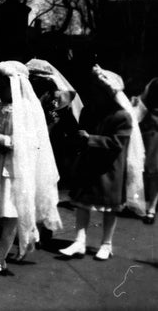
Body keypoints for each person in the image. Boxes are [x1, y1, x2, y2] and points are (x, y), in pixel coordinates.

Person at [0, 61, 62, 278]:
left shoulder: (28, 109)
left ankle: (0, 258)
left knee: (11, 210)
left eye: (2, 86)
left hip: (15, 168)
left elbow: (35, 142)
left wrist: (10, 141)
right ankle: (23, 235)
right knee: (1, 211)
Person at [60, 65, 144, 261]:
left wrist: (90, 139)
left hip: (110, 167)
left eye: (98, 90)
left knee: (109, 207)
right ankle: (79, 241)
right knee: (82, 203)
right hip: (89, 162)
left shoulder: (122, 116)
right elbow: (81, 131)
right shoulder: (90, 111)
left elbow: (118, 142)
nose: (93, 93)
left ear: (107, 93)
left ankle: (107, 243)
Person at [26, 59, 82, 243]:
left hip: (51, 149)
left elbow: (70, 127)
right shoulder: (25, 100)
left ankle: (43, 227)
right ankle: (28, 225)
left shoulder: (58, 102)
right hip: (29, 147)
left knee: (45, 186)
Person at [139, 78, 158, 224]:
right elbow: (141, 101)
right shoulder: (154, 83)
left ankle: (152, 207)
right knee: (152, 170)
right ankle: (151, 206)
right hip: (153, 129)